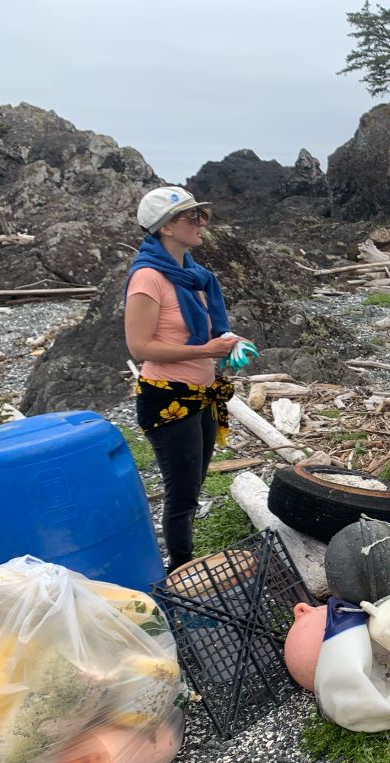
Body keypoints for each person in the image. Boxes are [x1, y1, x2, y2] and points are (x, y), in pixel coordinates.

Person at [124, 186, 243, 572]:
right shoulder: (148, 278)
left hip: (203, 394)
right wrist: (207, 352)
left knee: (194, 482)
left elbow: (202, 334)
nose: (202, 222)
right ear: (167, 227)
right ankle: (180, 569)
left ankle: (182, 563)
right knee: (183, 492)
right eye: (193, 216)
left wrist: (228, 344)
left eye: (202, 214)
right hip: (168, 399)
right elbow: (140, 347)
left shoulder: (195, 277)